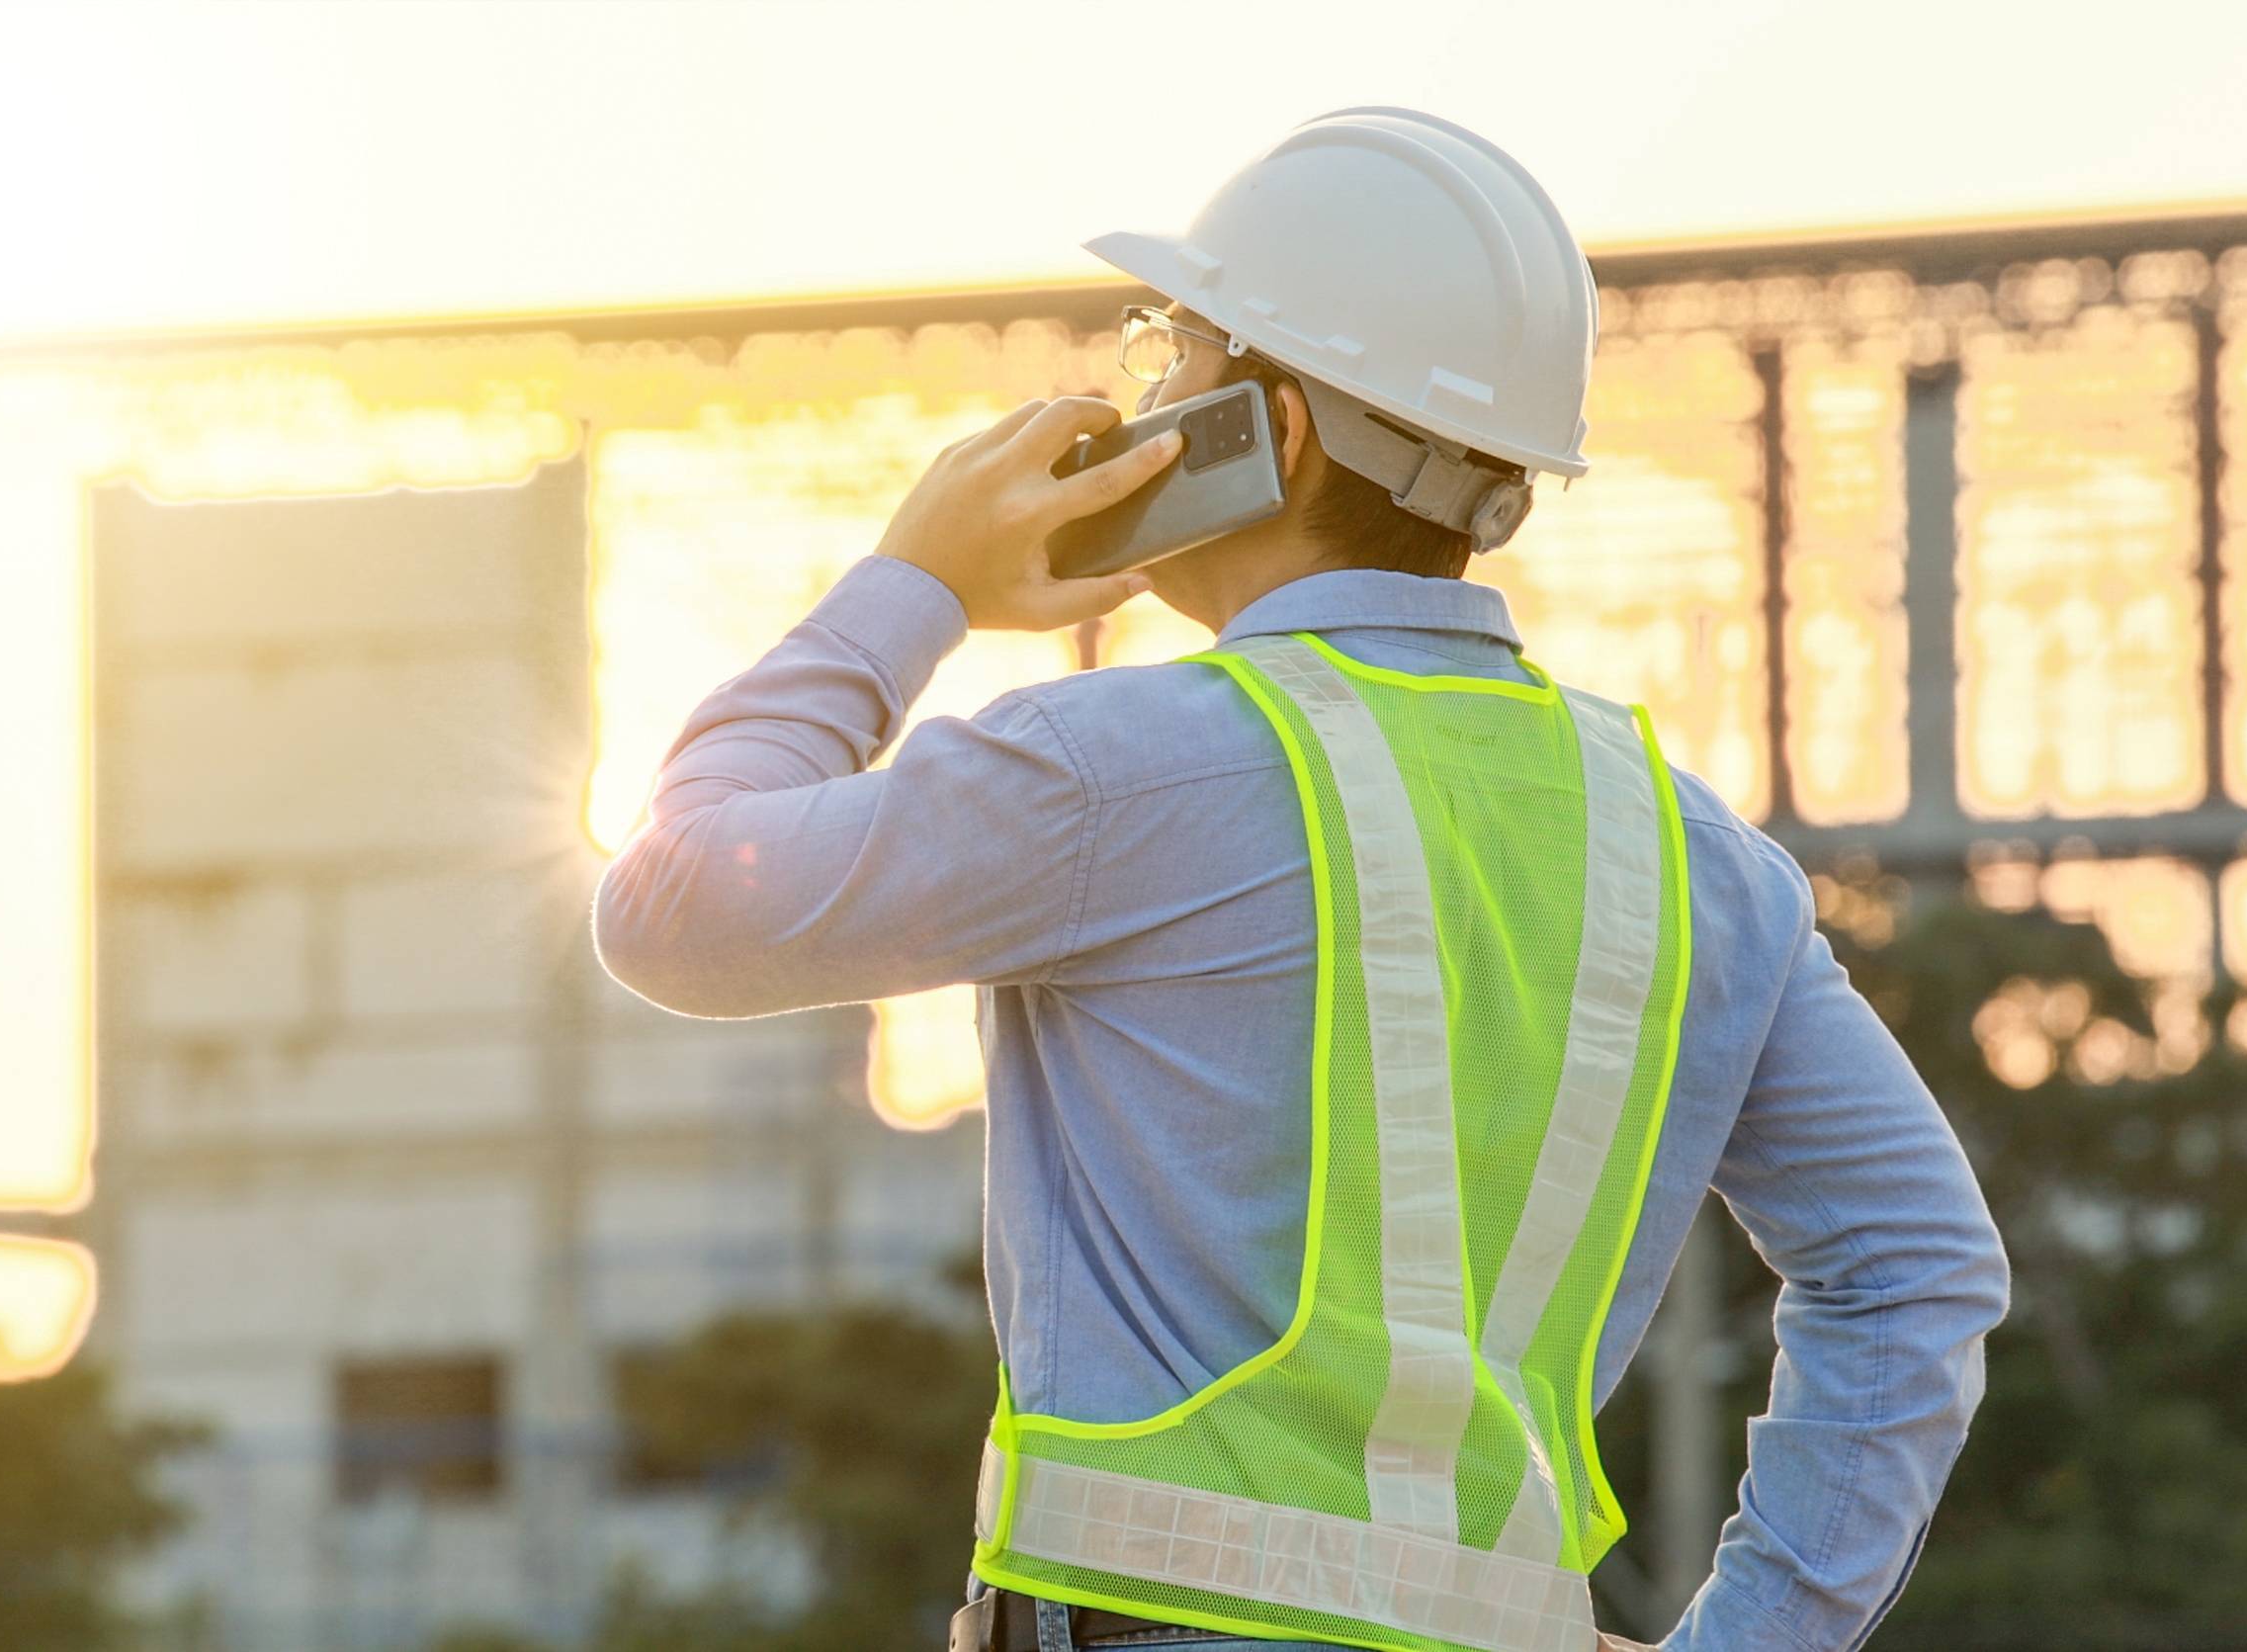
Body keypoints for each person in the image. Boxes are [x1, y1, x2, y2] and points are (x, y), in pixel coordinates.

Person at [591, 108, 2007, 1652]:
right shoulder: (1695, 854)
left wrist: (913, 582)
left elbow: (673, 905)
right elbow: (1916, 1271)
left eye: (1176, 353)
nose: (1144, 397)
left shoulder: (1115, 770)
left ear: (1281, 430)